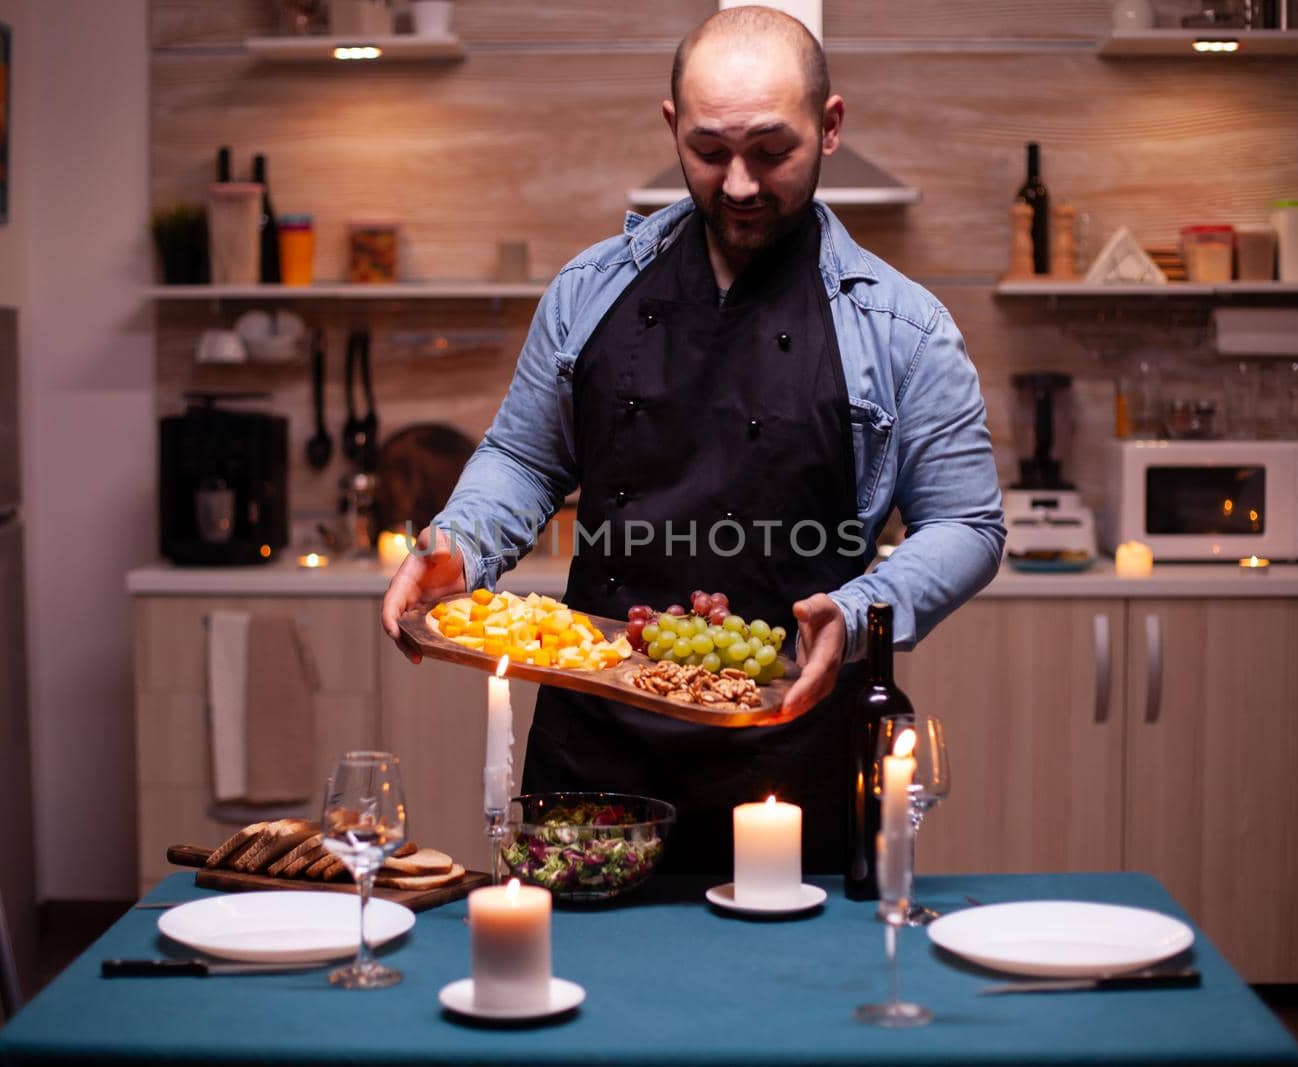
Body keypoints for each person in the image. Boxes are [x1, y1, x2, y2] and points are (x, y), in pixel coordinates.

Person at [383, 5, 1004, 874]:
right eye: (710, 152)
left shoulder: (904, 327)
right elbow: (525, 458)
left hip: (794, 753)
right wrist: (462, 543)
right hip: (595, 751)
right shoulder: (587, 292)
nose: (740, 184)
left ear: (830, 127)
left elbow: (968, 524)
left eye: (770, 150)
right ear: (672, 128)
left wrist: (860, 610)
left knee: (786, 1002)